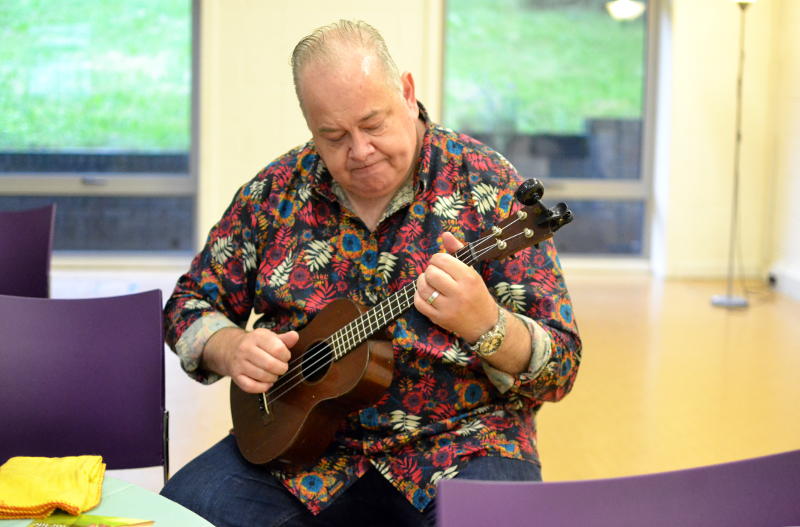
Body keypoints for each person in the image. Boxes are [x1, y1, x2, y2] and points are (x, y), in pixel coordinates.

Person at [161, 19, 581, 527]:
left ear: (406, 92)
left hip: (461, 442)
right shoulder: (273, 193)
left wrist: (487, 325)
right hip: (301, 450)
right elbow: (187, 305)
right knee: (183, 513)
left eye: (373, 124)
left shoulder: (488, 186)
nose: (359, 151)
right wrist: (228, 347)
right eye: (333, 135)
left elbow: (561, 367)